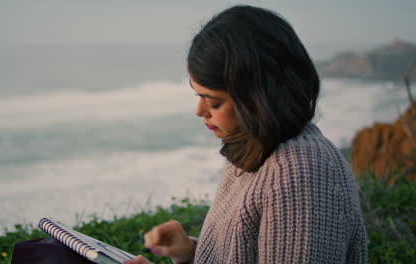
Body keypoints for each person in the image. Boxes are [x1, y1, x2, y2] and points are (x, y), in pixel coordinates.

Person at [125, 5, 368, 264]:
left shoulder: (301, 174)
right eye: (199, 96)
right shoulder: (254, 151)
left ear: (258, 98)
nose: (199, 111)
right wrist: (190, 253)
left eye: (214, 102)